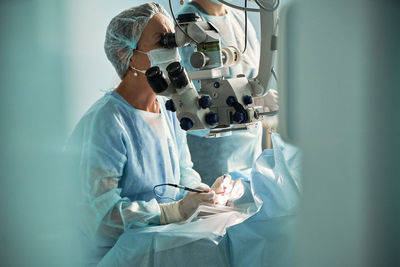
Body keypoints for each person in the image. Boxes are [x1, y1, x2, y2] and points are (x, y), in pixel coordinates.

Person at [67, 2, 232, 249]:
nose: (173, 50)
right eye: (162, 42)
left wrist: (201, 194)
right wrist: (172, 211)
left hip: (157, 246)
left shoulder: (168, 109)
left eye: (173, 41)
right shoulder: (104, 122)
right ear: (127, 54)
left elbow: (182, 172)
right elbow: (101, 221)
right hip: (113, 257)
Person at [178, 0, 279, 185]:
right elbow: (192, 103)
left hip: (249, 146)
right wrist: (256, 102)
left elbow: (252, 72)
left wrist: (259, 96)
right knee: (219, 204)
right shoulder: (187, 27)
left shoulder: (240, 16)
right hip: (214, 151)